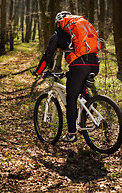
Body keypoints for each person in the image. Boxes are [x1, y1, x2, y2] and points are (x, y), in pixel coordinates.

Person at [32, 11, 100, 142]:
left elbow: (47, 55)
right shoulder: (79, 30)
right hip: (94, 63)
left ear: (59, 23)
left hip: (80, 65)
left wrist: (38, 71)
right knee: (77, 83)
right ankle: (90, 105)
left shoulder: (58, 35)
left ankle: (71, 134)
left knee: (71, 99)